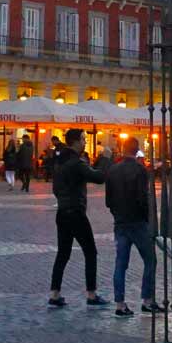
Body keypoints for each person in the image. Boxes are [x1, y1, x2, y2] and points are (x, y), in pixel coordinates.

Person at [47, 127, 108, 309]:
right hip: (76, 212)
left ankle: (55, 293)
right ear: (74, 141)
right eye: (83, 139)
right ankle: (91, 294)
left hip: (62, 212)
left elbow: (56, 188)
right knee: (90, 252)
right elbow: (99, 177)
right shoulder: (75, 162)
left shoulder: (59, 161)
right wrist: (105, 158)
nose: (85, 142)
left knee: (63, 253)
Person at [105, 136, 161, 317]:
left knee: (120, 263)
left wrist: (117, 214)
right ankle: (147, 300)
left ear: (122, 148)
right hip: (137, 222)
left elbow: (108, 200)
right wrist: (146, 218)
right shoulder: (140, 170)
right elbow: (142, 198)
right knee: (150, 259)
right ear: (137, 150)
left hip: (120, 222)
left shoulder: (112, 170)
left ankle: (120, 304)